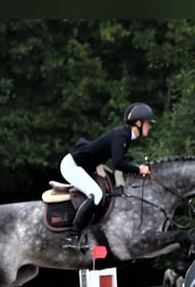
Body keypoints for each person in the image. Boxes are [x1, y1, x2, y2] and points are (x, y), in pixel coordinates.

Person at [59, 102, 155, 247]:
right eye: (148, 123)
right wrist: (139, 170)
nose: (150, 126)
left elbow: (120, 161)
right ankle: (73, 235)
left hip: (83, 166)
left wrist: (138, 169)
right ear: (138, 123)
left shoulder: (125, 136)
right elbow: (118, 164)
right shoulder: (121, 136)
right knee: (96, 194)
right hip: (72, 165)